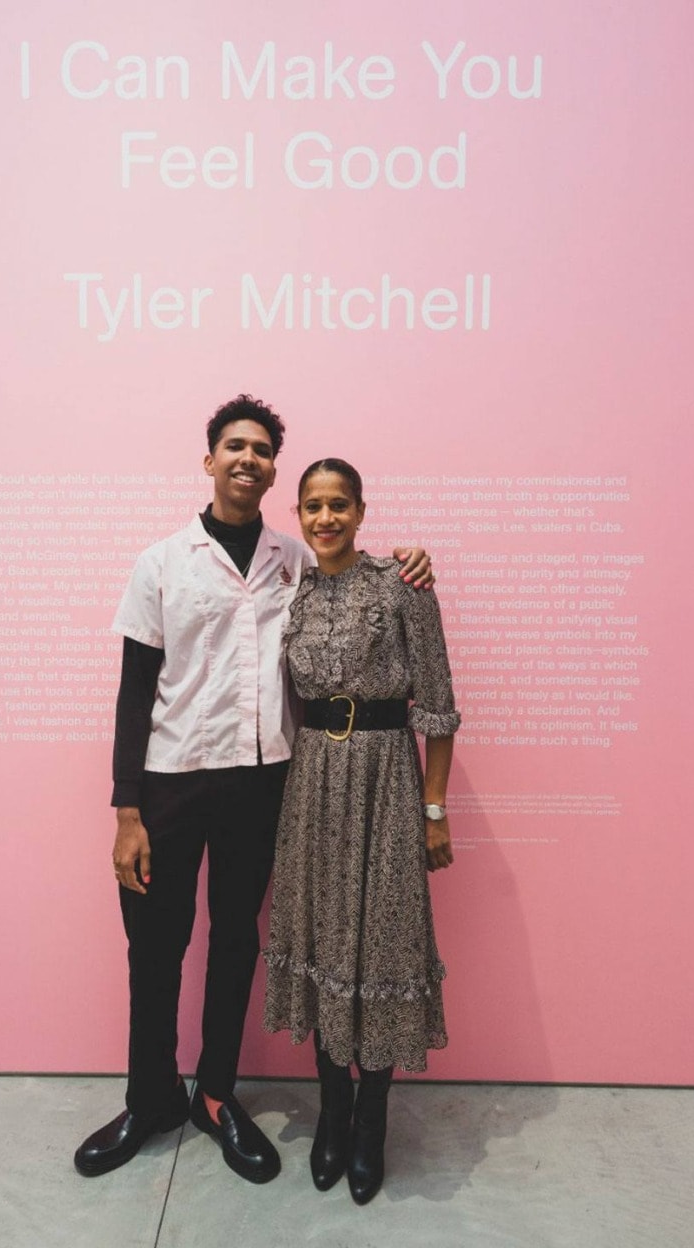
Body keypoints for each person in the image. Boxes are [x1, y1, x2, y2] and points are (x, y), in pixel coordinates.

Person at [73, 397, 434, 1184]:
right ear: (209, 460)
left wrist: (412, 560)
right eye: (233, 446)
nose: (248, 458)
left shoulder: (295, 558)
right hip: (169, 781)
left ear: (273, 468)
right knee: (156, 947)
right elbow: (135, 693)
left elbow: (352, 584)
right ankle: (150, 1097)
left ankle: (215, 1095)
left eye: (262, 449)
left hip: (261, 783)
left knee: (238, 938)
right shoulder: (161, 561)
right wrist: (125, 810)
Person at [263, 457, 460, 1204]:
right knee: (320, 936)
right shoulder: (292, 588)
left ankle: (371, 1119)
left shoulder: (403, 586)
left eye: (338, 503)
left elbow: (438, 705)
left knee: (381, 940)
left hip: (387, 782)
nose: (325, 518)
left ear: (361, 509)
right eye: (312, 505)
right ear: (301, 512)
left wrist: (435, 807)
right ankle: (331, 1115)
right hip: (312, 782)